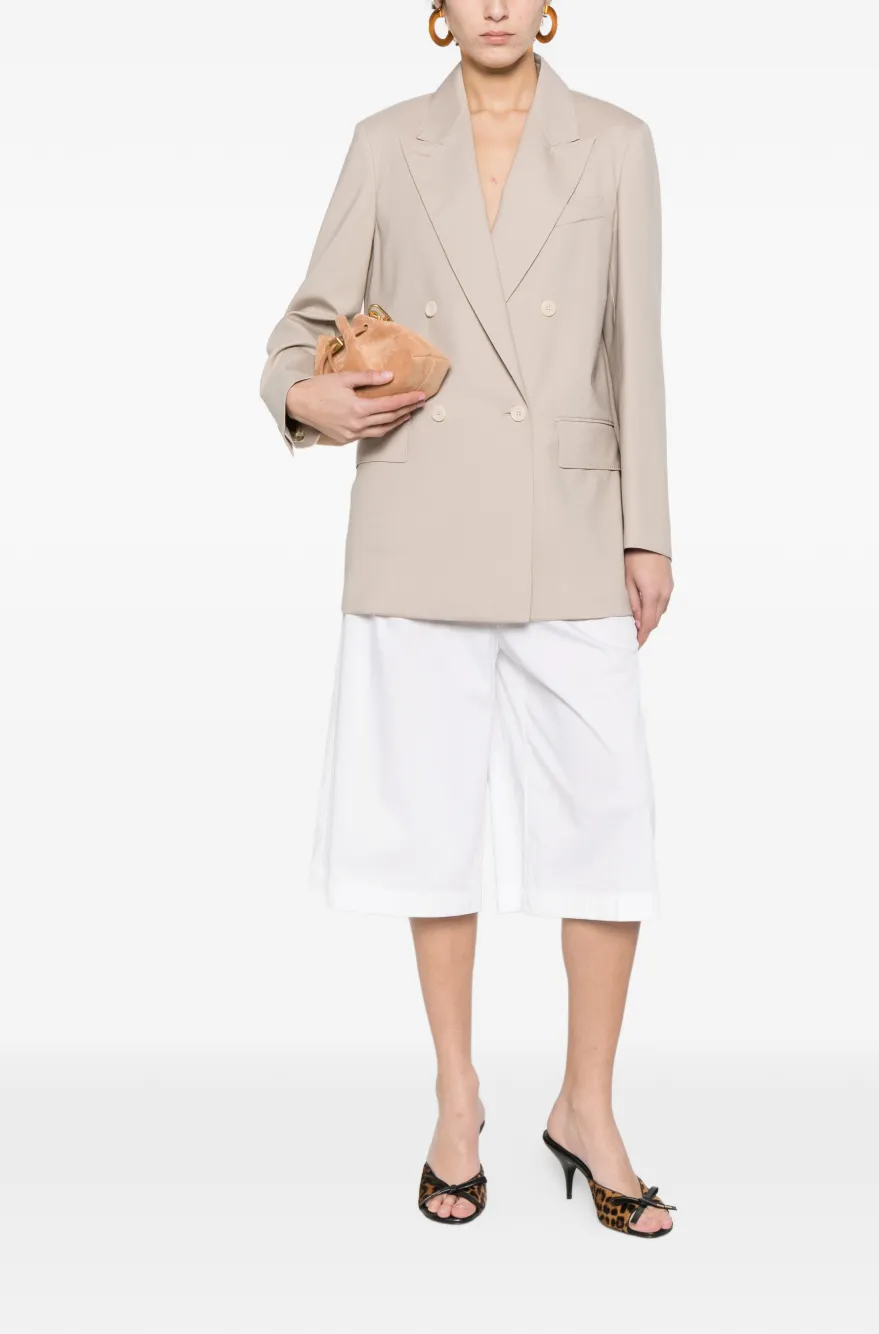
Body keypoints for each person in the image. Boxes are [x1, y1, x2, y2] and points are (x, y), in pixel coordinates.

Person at [259, 1, 676, 1237]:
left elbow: (635, 348)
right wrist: (308, 402)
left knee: (607, 822)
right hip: (420, 518)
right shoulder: (387, 142)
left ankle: (587, 1105)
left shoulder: (616, 141)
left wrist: (646, 527)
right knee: (426, 824)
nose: (495, 5)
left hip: (570, 520)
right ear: (438, 10)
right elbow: (299, 331)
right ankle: (457, 1099)